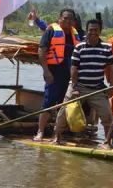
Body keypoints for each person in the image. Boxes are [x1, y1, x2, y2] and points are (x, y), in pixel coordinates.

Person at [52, 19, 113, 144]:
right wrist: (75, 88)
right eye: (91, 30)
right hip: (78, 86)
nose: (93, 33)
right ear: (87, 31)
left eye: (96, 30)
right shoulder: (79, 47)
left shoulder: (107, 48)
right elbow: (74, 69)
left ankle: (107, 142)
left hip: (97, 88)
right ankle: (57, 137)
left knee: (107, 115)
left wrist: (111, 86)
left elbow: (111, 68)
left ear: (100, 31)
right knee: (64, 112)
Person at [33, 8, 80, 141]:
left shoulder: (75, 34)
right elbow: (41, 51)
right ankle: (40, 131)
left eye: (70, 19)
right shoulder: (51, 31)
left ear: (73, 21)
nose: (67, 21)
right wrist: (46, 72)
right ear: (60, 18)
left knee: (63, 104)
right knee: (49, 101)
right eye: (65, 18)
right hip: (54, 72)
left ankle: (57, 134)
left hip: (69, 73)